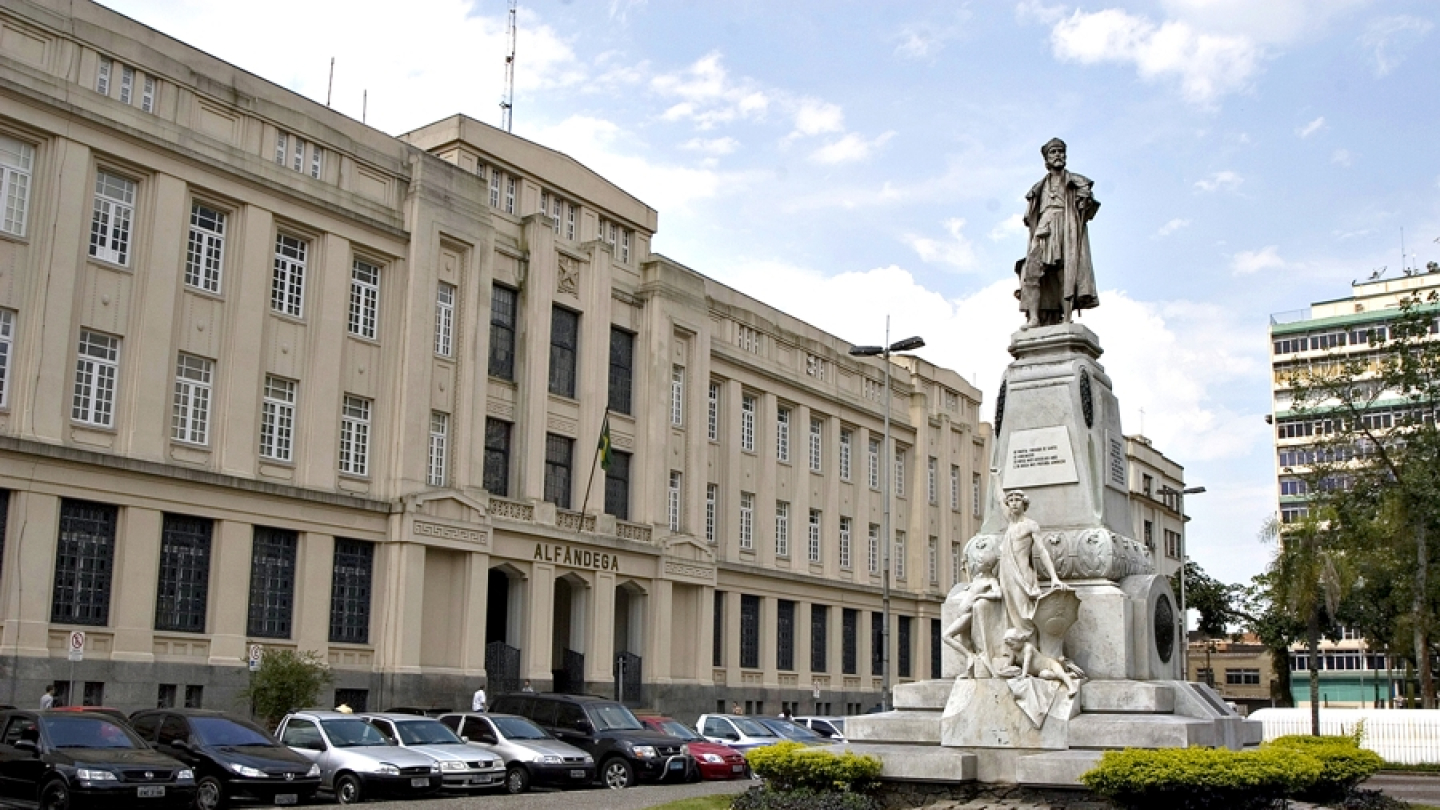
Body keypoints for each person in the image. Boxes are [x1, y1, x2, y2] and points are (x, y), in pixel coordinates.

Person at [1016, 137, 1100, 328]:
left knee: (1065, 270)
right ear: (1046, 159)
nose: (1057, 155)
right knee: (1031, 270)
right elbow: (1029, 216)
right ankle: (1035, 318)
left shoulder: (1077, 182)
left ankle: (1067, 317)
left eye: (1060, 152)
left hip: (1066, 224)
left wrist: (1085, 202)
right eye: (1053, 152)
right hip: (1044, 226)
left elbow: (1088, 209)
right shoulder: (1038, 187)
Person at [997, 490, 1068, 634]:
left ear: (1024, 504)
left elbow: (1042, 551)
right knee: (1011, 612)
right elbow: (1000, 499)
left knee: (1025, 614)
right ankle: (1017, 648)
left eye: (1017, 499)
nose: (1014, 503)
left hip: (1023, 574)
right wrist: (995, 477)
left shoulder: (1031, 525)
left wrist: (1054, 577)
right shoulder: (1010, 524)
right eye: (1010, 500)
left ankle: (1030, 645)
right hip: (1006, 574)